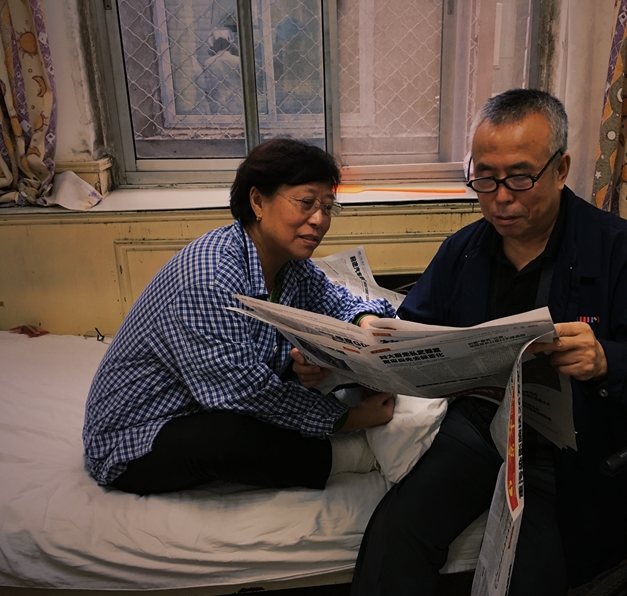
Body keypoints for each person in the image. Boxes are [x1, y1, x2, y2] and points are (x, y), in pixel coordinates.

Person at [348, 89, 627, 596]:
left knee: (525, 579)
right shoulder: (463, 251)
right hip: (480, 429)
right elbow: (414, 331)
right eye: (485, 178)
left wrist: (607, 360)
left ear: (561, 169)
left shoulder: (626, 255)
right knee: (394, 538)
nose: (500, 197)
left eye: (519, 177)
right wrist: (361, 349)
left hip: (570, 450)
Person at [82, 138, 396, 495]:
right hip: (139, 436)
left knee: (300, 377)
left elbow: (337, 301)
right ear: (258, 201)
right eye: (306, 203)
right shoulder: (210, 276)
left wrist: (366, 324)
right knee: (231, 435)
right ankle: (347, 457)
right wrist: (349, 420)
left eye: (327, 206)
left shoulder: (287, 264)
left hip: (207, 400)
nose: (320, 220)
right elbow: (245, 393)